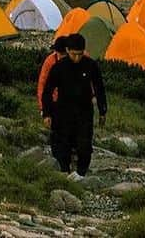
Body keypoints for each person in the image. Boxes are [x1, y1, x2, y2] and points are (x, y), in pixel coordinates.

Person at [43, 34, 107, 178]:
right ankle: (64, 170)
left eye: (80, 54)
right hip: (62, 110)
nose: (77, 58)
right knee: (62, 141)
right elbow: (47, 90)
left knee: (84, 142)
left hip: (84, 111)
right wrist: (46, 113)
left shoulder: (91, 65)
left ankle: (81, 173)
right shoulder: (59, 67)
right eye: (73, 54)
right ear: (67, 50)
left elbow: (99, 88)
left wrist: (103, 111)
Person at [38, 37, 69, 116]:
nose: (62, 56)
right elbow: (42, 84)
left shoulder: (77, 58)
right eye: (60, 53)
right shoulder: (50, 61)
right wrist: (43, 108)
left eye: (64, 53)